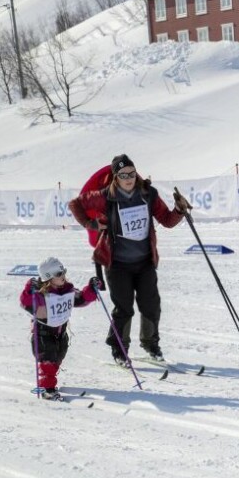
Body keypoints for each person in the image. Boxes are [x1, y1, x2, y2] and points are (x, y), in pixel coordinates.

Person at [68, 154, 191, 364]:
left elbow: (167, 221)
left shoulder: (148, 193)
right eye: (123, 174)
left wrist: (179, 209)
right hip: (117, 264)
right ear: (116, 177)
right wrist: (91, 224)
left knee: (151, 305)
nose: (129, 178)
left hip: (144, 262)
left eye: (132, 173)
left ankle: (150, 344)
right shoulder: (105, 196)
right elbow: (75, 204)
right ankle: (119, 349)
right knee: (124, 309)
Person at [19, 257, 101, 400]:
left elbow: (81, 298)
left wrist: (92, 289)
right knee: (48, 361)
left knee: (58, 358)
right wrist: (29, 290)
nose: (63, 275)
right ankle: (47, 389)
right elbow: (25, 303)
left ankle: (50, 379)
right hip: (43, 334)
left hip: (61, 332)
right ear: (48, 278)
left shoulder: (67, 290)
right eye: (58, 274)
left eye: (63, 272)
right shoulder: (40, 294)